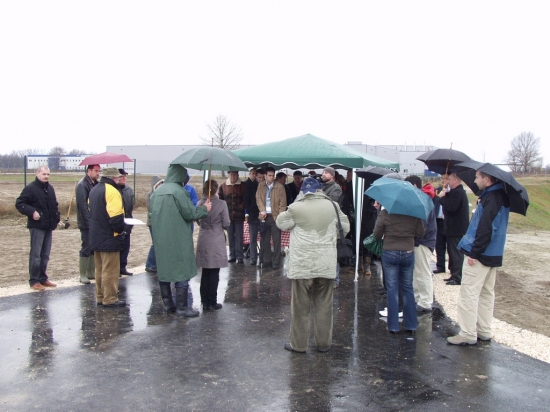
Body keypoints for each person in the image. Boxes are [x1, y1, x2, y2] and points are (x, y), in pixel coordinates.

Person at [276, 177, 350, 353]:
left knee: (300, 308)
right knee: (324, 306)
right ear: (320, 191)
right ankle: (323, 343)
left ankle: (299, 345)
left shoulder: (296, 207)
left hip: (303, 265)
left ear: (302, 192)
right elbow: (345, 228)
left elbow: (280, 223)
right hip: (326, 264)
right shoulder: (333, 206)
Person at [447, 170, 510, 345]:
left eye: (477, 177)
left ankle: (467, 333)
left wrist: (474, 253)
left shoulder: (491, 199)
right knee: (486, 294)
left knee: (469, 294)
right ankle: (484, 330)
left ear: (487, 179)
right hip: (494, 253)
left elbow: (486, 228)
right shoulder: (500, 196)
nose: (475, 180)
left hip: (481, 254)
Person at [149, 164, 211, 317]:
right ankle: (182, 307)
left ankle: (168, 305)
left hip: (161, 238)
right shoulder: (180, 192)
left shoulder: (156, 193)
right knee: (181, 270)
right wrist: (205, 209)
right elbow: (190, 213)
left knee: (164, 270)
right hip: (178, 238)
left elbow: (151, 215)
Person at [373, 201, 425, 334]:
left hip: (390, 250)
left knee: (392, 288)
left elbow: (377, 234)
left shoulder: (385, 213)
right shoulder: (414, 214)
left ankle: (393, 326)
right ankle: (411, 325)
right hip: (408, 250)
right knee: (408, 288)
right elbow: (420, 233)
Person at [15, 165, 60, 291]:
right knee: (36, 255)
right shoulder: (31, 188)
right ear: (37, 174)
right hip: (37, 226)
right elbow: (20, 203)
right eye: (44, 174)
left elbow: (54, 205)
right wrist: (32, 212)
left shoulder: (50, 188)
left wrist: (56, 217)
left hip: (48, 226)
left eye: (48, 174)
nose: (46, 176)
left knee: (45, 254)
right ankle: (34, 280)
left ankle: (43, 278)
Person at [88, 168, 126, 307]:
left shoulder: (94, 190)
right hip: (109, 236)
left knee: (99, 269)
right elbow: (116, 217)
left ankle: (100, 296)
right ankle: (110, 298)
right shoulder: (112, 191)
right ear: (112, 178)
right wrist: (121, 230)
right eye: (117, 177)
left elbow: (90, 210)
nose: (119, 179)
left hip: (96, 235)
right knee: (110, 270)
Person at [196, 180, 230, 311]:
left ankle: (204, 301)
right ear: (216, 190)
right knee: (214, 272)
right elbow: (226, 223)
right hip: (216, 239)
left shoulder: (200, 203)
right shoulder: (221, 204)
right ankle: (212, 302)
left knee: (205, 272)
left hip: (204, 238)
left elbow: (198, 219)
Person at [404, 176, 437, 314]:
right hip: (420, 241)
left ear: (415, 185)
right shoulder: (422, 199)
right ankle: (419, 299)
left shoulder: (422, 200)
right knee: (417, 272)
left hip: (423, 242)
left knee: (423, 272)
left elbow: (422, 224)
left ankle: (425, 302)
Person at [438, 173, 470, 285]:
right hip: (451, 227)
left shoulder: (459, 192)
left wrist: (442, 198)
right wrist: (446, 195)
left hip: (457, 227)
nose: (448, 182)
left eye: (450, 180)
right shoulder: (454, 192)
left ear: (456, 181)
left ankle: (457, 277)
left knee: (456, 253)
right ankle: (453, 273)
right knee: (451, 252)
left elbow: (452, 207)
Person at [256, 166, 287, 269]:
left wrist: (280, 216)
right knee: (265, 240)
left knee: (276, 240)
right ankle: (267, 260)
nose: (271, 177)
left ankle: (276, 262)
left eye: (273, 175)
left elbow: (283, 204)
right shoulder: (260, 185)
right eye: (269, 175)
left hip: (275, 217)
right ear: (265, 175)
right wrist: (262, 210)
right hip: (264, 216)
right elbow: (258, 198)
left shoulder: (280, 187)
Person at [75, 164, 100, 284]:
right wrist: (89, 223)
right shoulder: (82, 185)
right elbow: (83, 206)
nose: (98, 173)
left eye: (99, 171)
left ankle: (90, 272)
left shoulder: (95, 184)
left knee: (93, 246)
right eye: (95, 171)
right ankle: (82, 274)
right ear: (88, 171)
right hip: (86, 222)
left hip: (95, 221)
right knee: (86, 246)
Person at [321, 167, 343, 287]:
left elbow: (331, 202)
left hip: (331, 223)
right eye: (323, 172)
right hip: (321, 222)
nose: (323, 174)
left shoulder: (336, 188)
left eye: (326, 173)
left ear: (332, 176)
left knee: (333, 251)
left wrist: (319, 194)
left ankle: (335, 279)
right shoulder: (321, 186)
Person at [218, 171, 246, 264]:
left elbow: (246, 199)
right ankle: (232, 255)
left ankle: (240, 256)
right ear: (228, 175)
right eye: (231, 174)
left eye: (234, 174)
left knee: (239, 236)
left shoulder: (243, 186)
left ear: (238, 175)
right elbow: (220, 201)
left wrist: (242, 206)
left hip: (239, 215)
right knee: (230, 236)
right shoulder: (223, 186)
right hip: (228, 215)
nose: (232, 176)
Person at [118, 169, 134, 276]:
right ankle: (116, 268)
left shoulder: (129, 190)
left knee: (126, 246)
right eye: (121, 176)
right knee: (117, 246)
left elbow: (131, 206)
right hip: (118, 222)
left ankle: (122, 267)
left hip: (128, 221)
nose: (124, 178)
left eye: (125, 176)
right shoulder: (113, 190)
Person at [145, 177, 163, 273]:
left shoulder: (162, 194)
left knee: (159, 243)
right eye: (159, 184)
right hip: (153, 223)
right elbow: (151, 208)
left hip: (160, 222)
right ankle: (150, 264)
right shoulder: (150, 195)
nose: (161, 186)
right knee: (155, 244)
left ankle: (156, 263)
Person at [243, 168, 260, 265]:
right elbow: (245, 199)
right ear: (249, 174)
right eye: (252, 173)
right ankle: (253, 258)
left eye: (255, 174)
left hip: (259, 213)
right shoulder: (245, 184)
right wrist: (249, 209)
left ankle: (262, 257)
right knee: (253, 238)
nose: (254, 175)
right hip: (252, 214)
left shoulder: (258, 184)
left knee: (262, 237)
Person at [434, 174, 449, 274]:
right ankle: (440, 266)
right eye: (442, 178)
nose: (443, 180)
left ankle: (453, 267)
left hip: (448, 221)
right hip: (438, 220)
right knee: (439, 245)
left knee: (450, 246)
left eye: (446, 178)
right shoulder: (437, 191)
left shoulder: (452, 192)